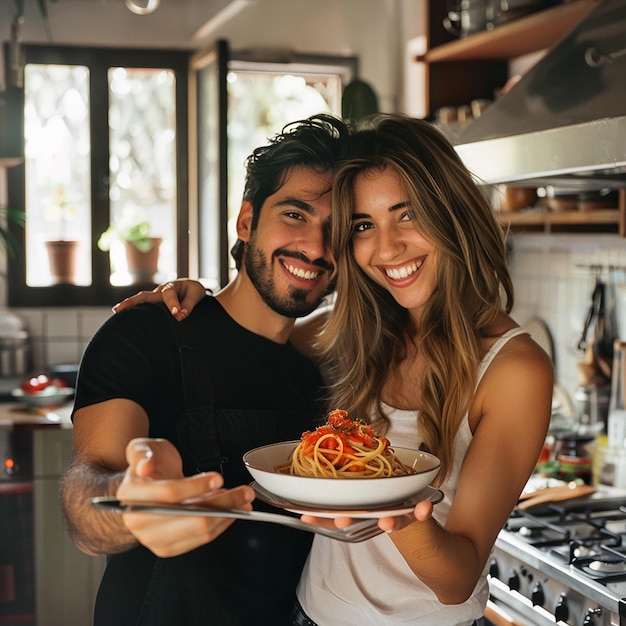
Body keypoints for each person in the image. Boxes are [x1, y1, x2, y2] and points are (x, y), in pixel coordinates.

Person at [124, 114, 553, 626]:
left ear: (452, 214)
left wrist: (386, 498)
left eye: (408, 214)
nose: (386, 248)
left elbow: (456, 578)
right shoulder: (355, 332)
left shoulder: (514, 368)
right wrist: (200, 302)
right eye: (363, 226)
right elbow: (252, 329)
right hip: (309, 614)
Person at [60, 113, 352, 626]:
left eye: (338, 229)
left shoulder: (319, 375)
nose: (315, 247)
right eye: (295, 214)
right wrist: (130, 504)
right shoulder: (148, 333)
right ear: (246, 222)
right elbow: (85, 500)